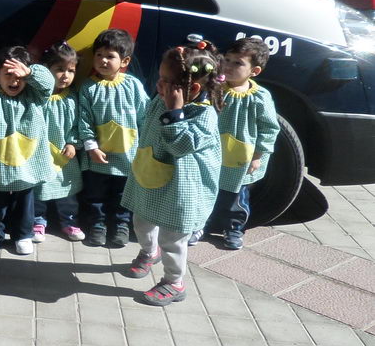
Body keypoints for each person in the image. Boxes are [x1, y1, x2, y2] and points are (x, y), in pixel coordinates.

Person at [122, 42, 223, 306]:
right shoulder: (161, 99)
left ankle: (174, 282)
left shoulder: (204, 116)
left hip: (181, 190)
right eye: (160, 78)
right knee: (141, 222)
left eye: (167, 81)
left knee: (173, 238)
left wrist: (175, 113)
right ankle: (148, 251)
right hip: (150, 174)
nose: (160, 84)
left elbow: (180, 146)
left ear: (194, 89)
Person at [0, 46, 56, 257]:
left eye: (19, 76)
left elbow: (48, 84)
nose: (14, 81)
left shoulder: (34, 96)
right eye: (8, 75)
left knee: (24, 202)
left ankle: (23, 234)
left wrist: (30, 72)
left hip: (26, 163)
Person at [200, 37, 280, 249]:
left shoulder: (259, 97)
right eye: (226, 59)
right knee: (206, 190)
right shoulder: (214, 88)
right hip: (211, 154)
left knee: (235, 197)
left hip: (240, 159)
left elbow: (269, 128)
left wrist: (258, 156)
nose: (228, 66)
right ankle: (200, 225)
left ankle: (234, 229)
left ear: (254, 71)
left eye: (238, 63)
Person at [78, 28, 148, 249]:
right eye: (99, 55)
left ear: (124, 60)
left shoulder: (133, 85)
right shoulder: (88, 87)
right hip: (98, 157)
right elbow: (84, 120)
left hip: (128, 157)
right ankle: (97, 225)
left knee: (123, 194)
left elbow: (144, 116)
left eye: (110, 56)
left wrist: (145, 147)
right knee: (95, 194)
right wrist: (91, 146)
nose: (103, 60)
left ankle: (121, 225)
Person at [33, 42, 86, 242]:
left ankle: (69, 222)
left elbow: (76, 125)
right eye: (60, 69)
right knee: (40, 189)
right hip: (41, 153)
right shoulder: (39, 97)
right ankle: (38, 221)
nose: (66, 75)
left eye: (71, 71)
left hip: (65, 154)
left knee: (67, 192)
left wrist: (73, 143)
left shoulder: (72, 98)